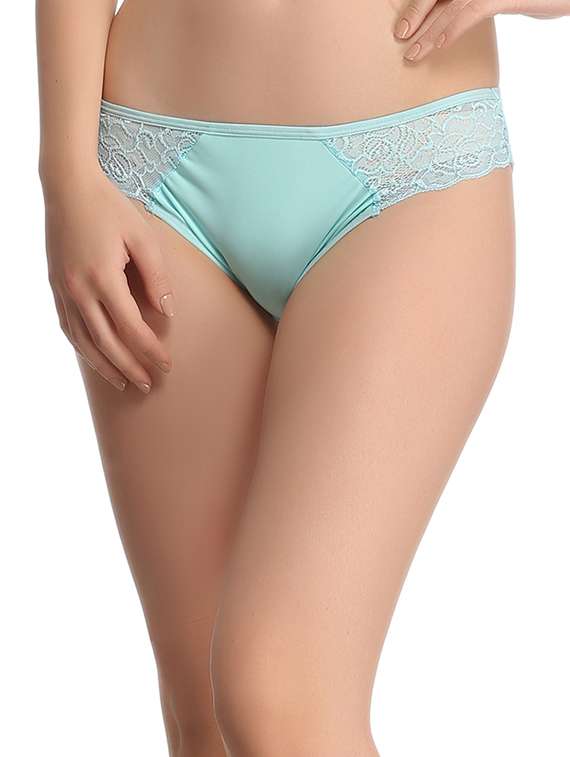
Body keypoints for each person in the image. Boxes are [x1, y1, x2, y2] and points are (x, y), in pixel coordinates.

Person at [35, 1, 568, 755]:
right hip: (153, 174)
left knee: (278, 691)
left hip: (409, 171)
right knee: (203, 721)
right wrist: (65, 174)